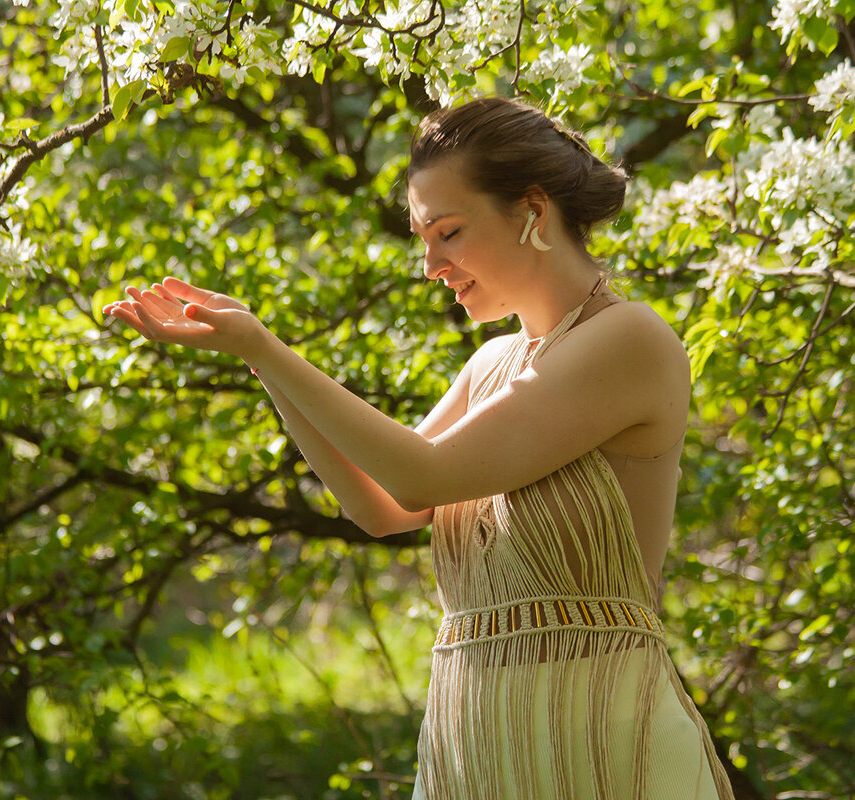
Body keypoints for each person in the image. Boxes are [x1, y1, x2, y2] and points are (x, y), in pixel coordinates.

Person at [103, 96, 735, 800]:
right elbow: (379, 507)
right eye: (422, 238)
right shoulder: (491, 365)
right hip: (475, 752)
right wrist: (260, 362)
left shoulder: (629, 340)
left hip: (604, 749)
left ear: (532, 210)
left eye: (449, 232)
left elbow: (418, 476)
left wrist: (267, 346)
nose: (430, 264)